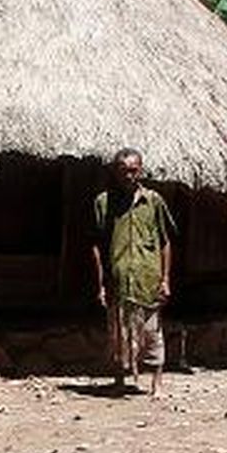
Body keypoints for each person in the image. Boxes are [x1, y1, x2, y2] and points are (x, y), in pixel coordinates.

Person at [91, 147, 176, 396]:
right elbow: (96, 244)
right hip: (118, 281)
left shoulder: (153, 201)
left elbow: (165, 241)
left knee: (152, 333)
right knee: (118, 333)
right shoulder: (103, 203)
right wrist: (101, 283)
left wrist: (165, 279)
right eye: (123, 171)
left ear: (141, 170)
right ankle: (120, 380)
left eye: (133, 170)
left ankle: (156, 383)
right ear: (115, 172)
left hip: (147, 280)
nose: (129, 176)